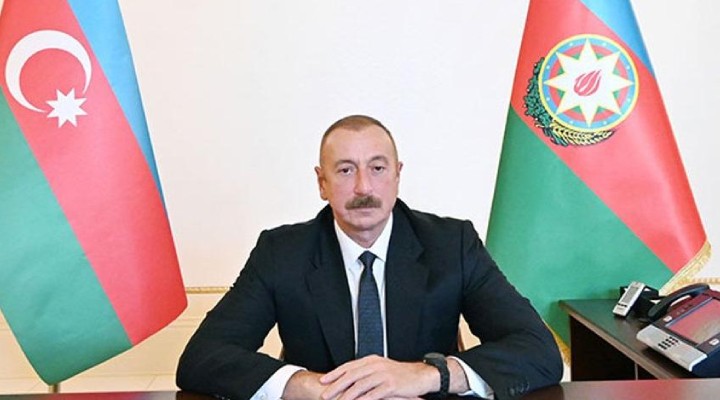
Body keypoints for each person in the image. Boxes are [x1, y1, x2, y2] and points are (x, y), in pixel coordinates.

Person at [176, 115, 563, 400]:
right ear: (322, 183)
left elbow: (538, 350)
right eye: (345, 170)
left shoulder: (452, 244)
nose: (364, 187)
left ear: (397, 175)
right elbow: (202, 358)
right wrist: (312, 386)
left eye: (377, 168)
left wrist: (427, 376)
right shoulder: (281, 252)